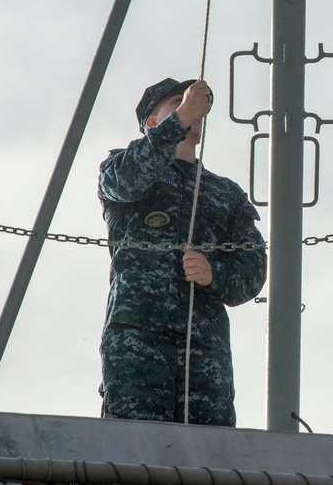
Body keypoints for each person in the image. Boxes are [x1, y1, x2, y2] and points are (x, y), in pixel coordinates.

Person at [98, 77, 267, 426]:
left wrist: (213, 273)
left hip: (204, 347)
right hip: (139, 338)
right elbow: (127, 180)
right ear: (152, 122)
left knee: (208, 458)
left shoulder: (226, 193)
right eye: (175, 102)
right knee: (134, 450)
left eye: (190, 104)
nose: (188, 108)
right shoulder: (121, 166)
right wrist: (180, 120)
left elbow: (252, 267)